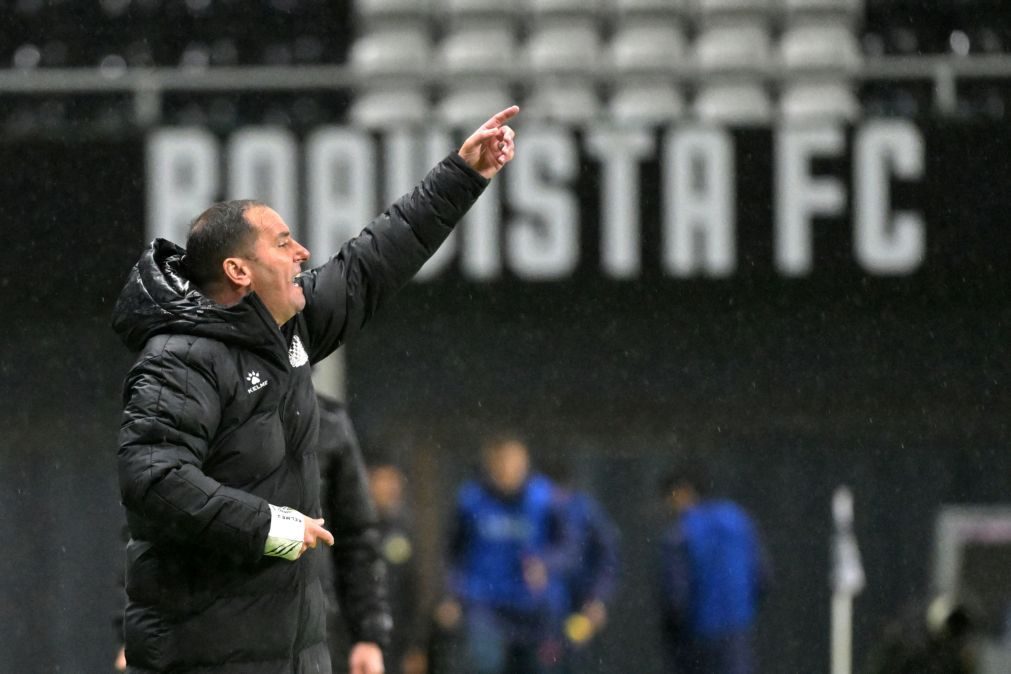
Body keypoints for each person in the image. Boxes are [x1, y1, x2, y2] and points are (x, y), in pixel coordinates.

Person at [112, 106, 519, 674]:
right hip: (203, 656)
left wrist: (463, 174)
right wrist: (270, 526)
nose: (302, 253)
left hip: (295, 655)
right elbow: (153, 483)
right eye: (283, 243)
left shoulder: (288, 330)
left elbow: (373, 262)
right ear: (238, 271)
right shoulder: (178, 360)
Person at [441, 435, 568, 674]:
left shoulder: (545, 498)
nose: (509, 470)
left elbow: (567, 546)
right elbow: (452, 552)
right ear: (491, 465)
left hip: (533, 608)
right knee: (487, 664)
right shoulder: (470, 500)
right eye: (502, 462)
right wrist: (452, 594)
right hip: (484, 605)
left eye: (515, 462)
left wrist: (546, 565)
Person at [659, 460, 771, 674]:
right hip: (738, 633)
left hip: (696, 637)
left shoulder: (680, 533)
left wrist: (673, 634)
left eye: (668, 499)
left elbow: (676, 597)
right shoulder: (738, 519)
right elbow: (763, 576)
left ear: (681, 492)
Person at [314, 395, 391, 673]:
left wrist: (369, 634)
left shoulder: (328, 422)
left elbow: (356, 539)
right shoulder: (216, 406)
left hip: (314, 632)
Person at [542, 462, 620, 673]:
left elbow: (608, 554)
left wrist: (598, 598)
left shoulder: (584, 510)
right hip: (543, 609)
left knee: (576, 660)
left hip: (579, 605)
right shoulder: (535, 511)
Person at [365, 462, 427, 674]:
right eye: (382, 480)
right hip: (357, 636)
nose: (388, 488)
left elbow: (414, 589)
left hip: (396, 638)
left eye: (393, 481)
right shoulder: (353, 529)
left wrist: (415, 644)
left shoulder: (403, 529)